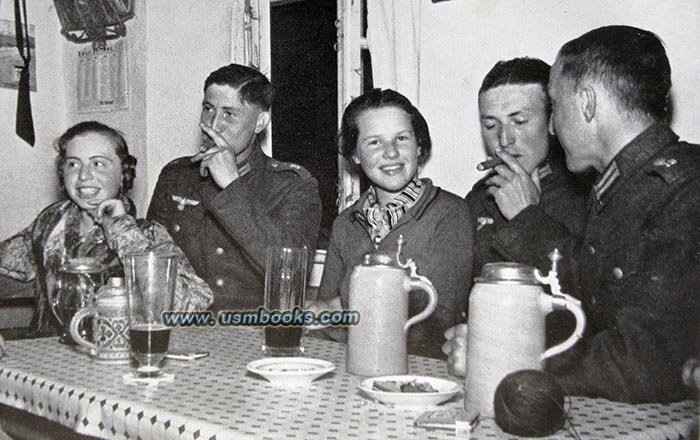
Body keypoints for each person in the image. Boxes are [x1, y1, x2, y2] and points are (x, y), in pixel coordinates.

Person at [446, 25, 700, 403]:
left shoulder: (682, 191)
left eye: (556, 105)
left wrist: (503, 360)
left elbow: (645, 365)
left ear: (586, 103)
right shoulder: (620, 186)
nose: (554, 124)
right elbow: (587, 302)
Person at [0, 121, 213, 337]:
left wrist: (122, 231)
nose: (83, 176)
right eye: (73, 164)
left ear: (123, 173)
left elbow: (191, 307)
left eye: (98, 164)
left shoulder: (148, 234)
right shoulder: (50, 224)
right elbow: (7, 262)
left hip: (116, 358)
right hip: (48, 356)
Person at [310, 88, 473, 359]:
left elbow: (438, 321)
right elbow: (328, 321)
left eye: (402, 138)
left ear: (419, 146)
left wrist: (346, 308)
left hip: (420, 369)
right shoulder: (345, 224)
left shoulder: (450, 214)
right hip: (354, 365)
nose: (391, 152)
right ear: (355, 155)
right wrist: (319, 313)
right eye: (374, 142)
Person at [147, 64, 322, 311]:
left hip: (253, 332)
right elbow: (151, 262)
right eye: (208, 109)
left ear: (260, 122)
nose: (214, 124)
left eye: (229, 114)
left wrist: (232, 185)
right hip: (183, 328)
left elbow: (291, 273)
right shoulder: (177, 176)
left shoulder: (292, 185)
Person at [465, 57, 589, 283]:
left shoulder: (587, 194)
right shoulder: (478, 199)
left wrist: (527, 217)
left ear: (553, 121)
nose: (504, 140)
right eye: (491, 125)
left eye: (519, 121)